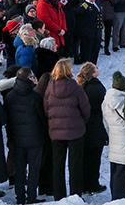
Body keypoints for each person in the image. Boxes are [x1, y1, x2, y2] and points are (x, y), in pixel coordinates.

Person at [43, 58, 90, 200]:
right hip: (75, 131)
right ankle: (76, 195)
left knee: (58, 165)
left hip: (56, 133)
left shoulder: (50, 87)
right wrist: (81, 121)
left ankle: (59, 196)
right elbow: (85, 108)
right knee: (75, 165)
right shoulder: (75, 87)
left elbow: (46, 109)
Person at [4, 68, 47, 205]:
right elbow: (42, 118)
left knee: (20, 170)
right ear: (29, 78)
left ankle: (20, 197)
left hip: (16, 140)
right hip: (34, 139)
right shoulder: (35, 97)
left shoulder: (9, 96)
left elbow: (7, 120)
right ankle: (31, 197)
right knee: (34, 170)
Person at [102, 71, 125, 200]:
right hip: (124, 138)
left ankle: (117, 192)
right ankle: (119, 197)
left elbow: (104, 121)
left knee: (115, 168)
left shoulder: (107, 99)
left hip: (113, 136)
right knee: (123, 168)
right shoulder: (123, 101)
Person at [77, 62, 108, 195]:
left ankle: (83, 184)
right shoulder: (97, 88)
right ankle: (93, 184)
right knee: (95, 158)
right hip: (96, 126)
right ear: (92, 73)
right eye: (96, 68)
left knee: (85, 158)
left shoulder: (81, 86)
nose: (98, 69)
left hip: (83, 127)